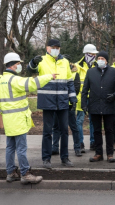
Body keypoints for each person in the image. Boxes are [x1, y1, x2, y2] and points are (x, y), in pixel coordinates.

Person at [0, 52, 56, 184]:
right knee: (21, 148)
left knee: (10, 148)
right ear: (12, 65)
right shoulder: (14, 80)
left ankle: (11, 173)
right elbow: (32, 84)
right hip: (18, 119)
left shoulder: (0, 81)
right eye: (18, 64)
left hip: (8, 119)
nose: (19, 66)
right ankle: (25, 174)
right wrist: (49, 76)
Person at [27, 39, 77, 169]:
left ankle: (65, 158)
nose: (55, 49)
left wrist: (73, 99)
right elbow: (30, 70)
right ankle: (46, 159)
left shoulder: (65, 62)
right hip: (47, 101)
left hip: (62, 101)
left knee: (64, 131)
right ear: (47, 48)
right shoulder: (41, 60)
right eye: (53, 47)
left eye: (57, 47)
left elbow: (70, 81)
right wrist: (32, 62)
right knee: (47, 131)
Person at [82, 51, 115, 163]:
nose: (100, 60)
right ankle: (98, 153)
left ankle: (110, 154)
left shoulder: (114, 72)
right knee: (96, 130)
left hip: (108, 105)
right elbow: (85, 89)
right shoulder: (90, 72)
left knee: (109, 130)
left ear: (106, 60)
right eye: (98, 58)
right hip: (94, 105)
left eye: (102, 58)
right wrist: (84, 104)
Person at [52, 62, 82, 157]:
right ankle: (55, 147)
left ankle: (77, 148)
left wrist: (69, 99)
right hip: (57, 105)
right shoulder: (56, 73)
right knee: (56, 127)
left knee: (73, 127)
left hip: (69, 105)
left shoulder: (74, 74)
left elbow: (76, 89)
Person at [74, 44, 99, 152]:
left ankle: (93, 143)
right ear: (86, 54)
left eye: (95, 54)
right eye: (92, 54)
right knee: (79, 121)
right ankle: (80, 143)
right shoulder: (77, 66)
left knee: (93, 121)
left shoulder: (97, 66)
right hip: (81, 97)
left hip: (94, 97)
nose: (94, 56)